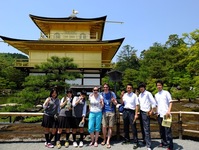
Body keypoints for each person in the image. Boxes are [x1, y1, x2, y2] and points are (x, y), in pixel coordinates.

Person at [155, 80, 173, 150]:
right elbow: (156, 105)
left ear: (162, 86)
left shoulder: (166, 93)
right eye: (157, 85)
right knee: (161, 130)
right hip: (159, 114)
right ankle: (163, 142)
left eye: (160, 85)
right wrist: (156, 112)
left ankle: (170, 146)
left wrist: (169, 111)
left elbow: (171, 102)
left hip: (166, 114)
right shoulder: (156, 95)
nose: (158, 86)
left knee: (168, 131)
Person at [138, 82, 157, 150]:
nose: (141, 88)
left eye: (142, 87)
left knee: (146, 128)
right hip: (141, 112)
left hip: (146, 112)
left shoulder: (148, 93)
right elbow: (137, 103)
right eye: (140, 87)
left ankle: (149, 145)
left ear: (144, 87)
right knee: (142, 128)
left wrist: (152, 110)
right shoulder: (140, 95)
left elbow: (153, 102)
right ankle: (144, 140)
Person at [120, 83, 139, 149]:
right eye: (128, 88)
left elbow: (137, 105)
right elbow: (122, 102)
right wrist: (121, 96)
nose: (129, 89)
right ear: (126, 88)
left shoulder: (134, 95)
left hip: (131, 112)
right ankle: (127, 139)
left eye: (130, 88)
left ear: (132, 89)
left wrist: (136, 114)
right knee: (126, 126)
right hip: (125, 111)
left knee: (133, 127)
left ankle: (136, 142)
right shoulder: (125, 95)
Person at [101, 83, 117, 149]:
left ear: (108, 88)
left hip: (111, 111)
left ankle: (108, 141)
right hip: (104, 112)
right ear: (103, 88)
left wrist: (113, 101)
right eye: (104, 87)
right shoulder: (101, 94)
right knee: (104, 126)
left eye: (106, 87)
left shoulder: (112, 94)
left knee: (110, 127)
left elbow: (116, 103)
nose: (105, 88)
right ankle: (104, 139)